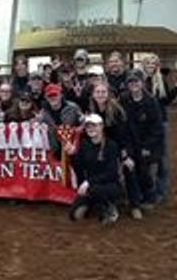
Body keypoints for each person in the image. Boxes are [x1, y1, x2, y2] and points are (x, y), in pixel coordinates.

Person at [120, 69, 164, 215]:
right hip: (131, 142)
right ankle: (135, 200)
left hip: (148, 144)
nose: (134, 84)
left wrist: (147, 147)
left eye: (136, 81)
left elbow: (157, 129)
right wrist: (126, 148)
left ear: (142, 82)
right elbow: (122, 124)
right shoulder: (124, 99)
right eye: (131, 82)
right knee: (130, 169)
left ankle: (149, 198)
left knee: (146, 172)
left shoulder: (151, 101)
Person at [68, 114, 123, 224]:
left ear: (102, 126)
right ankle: (96, 206)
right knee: (74, 215)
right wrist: (72, 155)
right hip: (90, 186)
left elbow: (112, 173)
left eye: (94, 126)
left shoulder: (111, 146)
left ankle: (110, 207)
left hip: (110, 185)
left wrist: (88, 182)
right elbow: (79, 168)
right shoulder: (84, 145)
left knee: (94, 191)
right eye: (88, 126)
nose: (91, 129)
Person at [142, 53, 177, 202]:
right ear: (144, 65)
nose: (151, 66)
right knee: (145, 158)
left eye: (154, 63)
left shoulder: (161, 80)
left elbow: (166, 101)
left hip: (160, 122)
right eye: (148, 63)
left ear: (157, 66)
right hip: (143, 125)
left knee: (162, 158)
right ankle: (146, 189)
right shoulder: (139, 81)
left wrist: (176, 89)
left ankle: (160, 191)